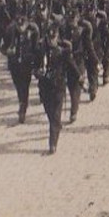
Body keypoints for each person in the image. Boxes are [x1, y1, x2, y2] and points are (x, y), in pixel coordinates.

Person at [35, 22, 75, 154]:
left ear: (57, 37)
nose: (52, 40)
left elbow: (71, 65)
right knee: (49, 113)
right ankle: (56, 126)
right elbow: (34, 66)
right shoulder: (40, 49)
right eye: (49, 38)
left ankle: (52, 144)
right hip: (45, 87)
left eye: (54, 38)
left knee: (56, 115)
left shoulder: (63, 50)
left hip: (58, 87)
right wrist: (37, 72)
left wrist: (79, 77)